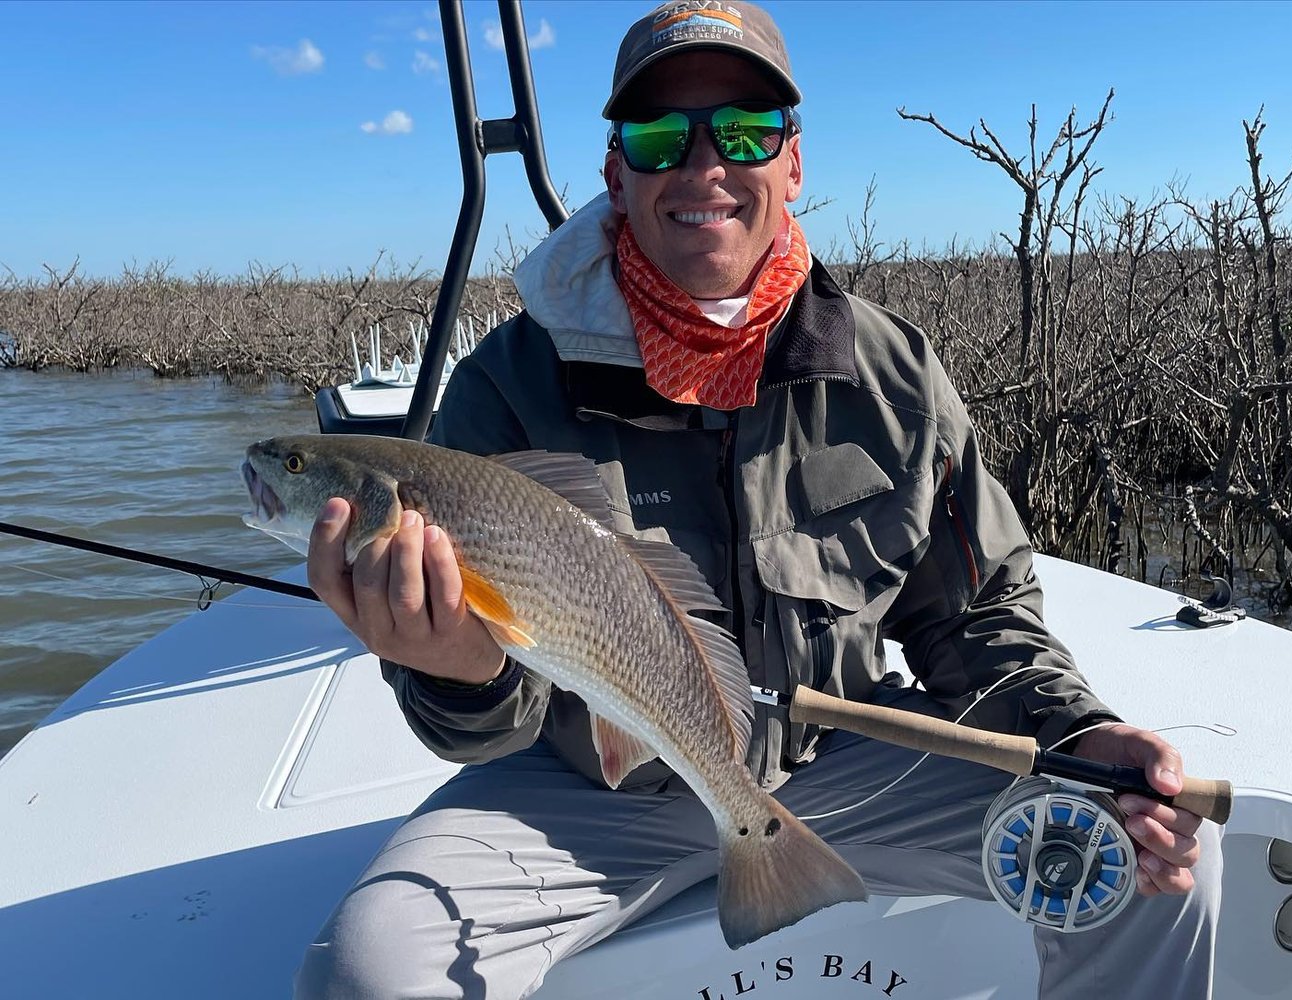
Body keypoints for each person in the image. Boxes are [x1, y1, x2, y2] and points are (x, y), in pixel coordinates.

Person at [296, 3, 1219, 997]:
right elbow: (490, 721)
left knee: (1135, 865)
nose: (703, 168)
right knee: (371, 969)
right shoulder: (504, 387)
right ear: (616, 173)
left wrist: (1077, 733)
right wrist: (455, 671)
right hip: (590, 790)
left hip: (858, 754)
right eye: (658, 137)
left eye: (745, 131)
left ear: (793, 164)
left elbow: (976, 616)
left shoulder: (893, 372)